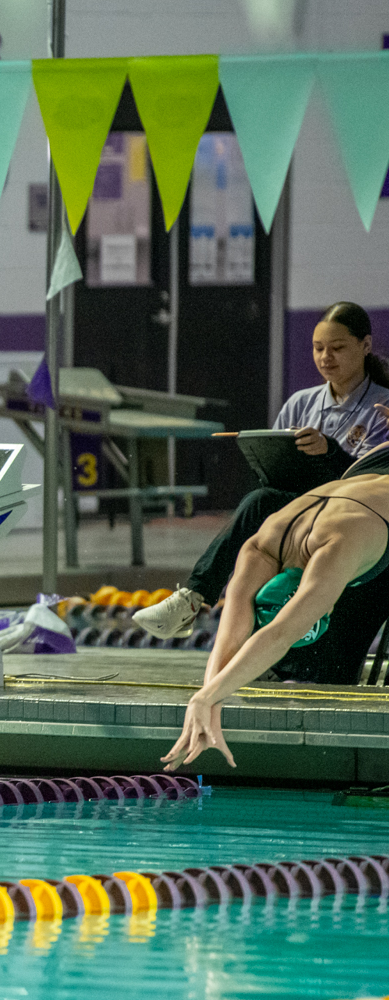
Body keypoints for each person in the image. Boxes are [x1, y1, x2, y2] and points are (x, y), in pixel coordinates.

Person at [137, 302, 389, 639]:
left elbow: (371, 484)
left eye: (338, 348)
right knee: (261, 502)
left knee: (262, 506)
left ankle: (199, 604)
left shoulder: (381, 407)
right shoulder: (301, 403)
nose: (326, 357)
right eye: (318, 349)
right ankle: (193, 600)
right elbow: (275, 466)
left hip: (357, 521)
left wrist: (330, 452)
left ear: (365, 346)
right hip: (302, 510)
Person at [161, 456, 389, 771]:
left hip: (366, 492)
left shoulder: (334, 547)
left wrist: (209, 696)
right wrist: (207, 700)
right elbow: (229, 639)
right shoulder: (261, 545)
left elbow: (280, 634)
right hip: (367, 468)